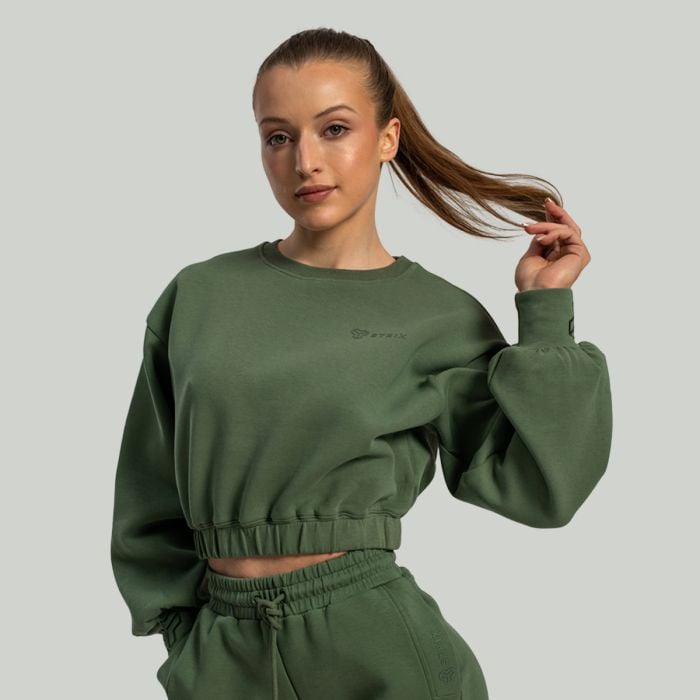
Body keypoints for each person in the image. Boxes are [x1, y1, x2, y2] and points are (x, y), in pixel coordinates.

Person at [110, 27, 613, 700]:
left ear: (387, 138)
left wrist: (544, 311)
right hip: (222, 653)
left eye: (335, 129)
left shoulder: (438, 316)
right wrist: (184, 639)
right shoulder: (199, 295)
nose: (305, 161)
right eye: (278, 136)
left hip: (377, 650)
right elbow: (147, 490)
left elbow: (543, 490)